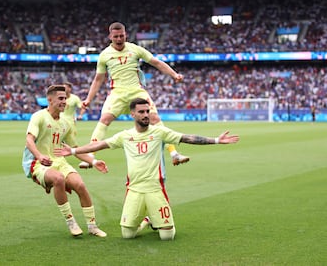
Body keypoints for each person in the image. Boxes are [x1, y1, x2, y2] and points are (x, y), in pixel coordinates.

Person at [55, 98, 240, 240]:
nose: (146, 114)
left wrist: (216, 140)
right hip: (133, 189)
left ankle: (154, 218)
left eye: (147, 111)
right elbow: (99, 145)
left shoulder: (159, 132)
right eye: (141, 112)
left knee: (167, 237)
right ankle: (146, 220)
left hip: (155, 189)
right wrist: (72, 150)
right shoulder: (125, 136)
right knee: (127, 235)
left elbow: (187, 138)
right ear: (132, 114)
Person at [79, 21, 189, 169]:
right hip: (117, 93)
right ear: (110, 36)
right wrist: (88, 99)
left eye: (122, 36)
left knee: (154, 119)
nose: (119, 39)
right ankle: (90, 156)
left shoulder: (135, 49)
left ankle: (174, 154)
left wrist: (174, 74)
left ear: (126, 35)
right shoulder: (104, 55)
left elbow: (156, 62)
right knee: (104, 119)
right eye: (116, 36)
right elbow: (98, 79)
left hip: (136, 91)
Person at [22, 85, 107, 237]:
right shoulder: (39, 116)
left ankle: (92, 226)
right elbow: (29, 140)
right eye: (60, 98)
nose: (64, 102)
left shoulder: (65, 123)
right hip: (38, 162)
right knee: (58, 179)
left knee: (80, 185)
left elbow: (74, 149)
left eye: (65, 98)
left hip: (59, 162)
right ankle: (71, 222)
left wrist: (94, 162)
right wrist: (40, 156)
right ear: (50, 99)